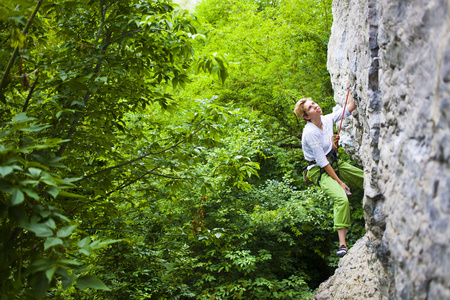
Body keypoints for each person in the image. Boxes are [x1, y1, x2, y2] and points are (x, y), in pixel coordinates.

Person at [293, 90, 364, 257]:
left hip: (332, 162)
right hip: (318, 170)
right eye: (311, 107)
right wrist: (340, 182)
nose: (316, 106)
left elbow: (350, 107)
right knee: (341, 198)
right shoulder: (310, 133)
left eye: (314, 103)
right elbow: (322, 162)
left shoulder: (327, 119)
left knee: (365, 178)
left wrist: (351, 85)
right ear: (306, 117)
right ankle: (342, 245)